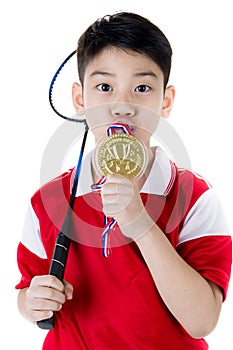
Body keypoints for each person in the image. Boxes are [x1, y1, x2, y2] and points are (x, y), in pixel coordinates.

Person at [16, 12, 232, 349]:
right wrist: (31, 303)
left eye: (142, 88)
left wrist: (140, 222)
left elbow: (202, 321)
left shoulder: (195, 197)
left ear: (166, 102)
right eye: (104, 87)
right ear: (79, 98)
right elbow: (27, 292)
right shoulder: (48, 200)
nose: (123, 105)